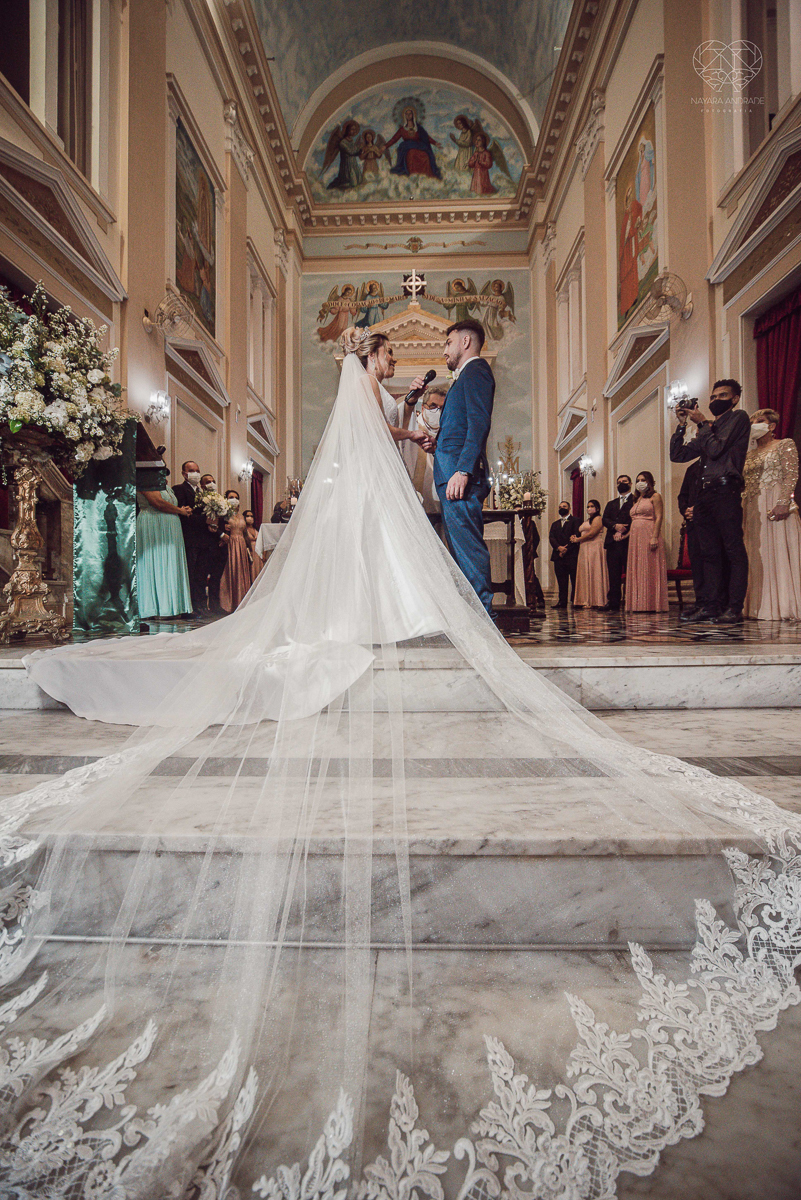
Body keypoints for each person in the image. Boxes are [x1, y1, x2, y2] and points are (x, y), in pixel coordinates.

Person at [16, 328, 799, 1200]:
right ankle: (413, 615)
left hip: (384, 475)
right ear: (372, 359)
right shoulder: (381, 388)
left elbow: (400, 431)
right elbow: (393, 431)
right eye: (385, 360)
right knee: (392, 550)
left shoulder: (406, 388)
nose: (391, 369)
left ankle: (393, 613)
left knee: (384, 550)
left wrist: (415, 431)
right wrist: (417, 430)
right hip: (380, 483)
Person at [412, 319, 494, 615]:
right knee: (459, 553)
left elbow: (479, 423)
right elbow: (462, 428)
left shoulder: (476, 371)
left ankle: (485, 622)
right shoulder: (463, 377)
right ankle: (473, 620)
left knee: (469, 552)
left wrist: (463, 470)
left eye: (448, 342)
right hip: (452, 474)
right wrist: (439, 445)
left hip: (461, 478)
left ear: (465, 342)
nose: (444, 349)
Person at [670, 378, 751, 623]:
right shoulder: (710, 427)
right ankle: (710, 605)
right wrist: (682, 426)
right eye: (713, 397)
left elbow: (716, 450)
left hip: (726, 491)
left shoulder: (738, 419)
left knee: (733, 550)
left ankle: (734, 607)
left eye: (722, 396)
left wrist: (703, 423)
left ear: (734, 399)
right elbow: (679, 454)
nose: (716, 400)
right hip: (705, 495)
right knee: (709, 553)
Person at [743, 408, 801, 621]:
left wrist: (783, 502)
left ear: (772, 426)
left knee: (775, 550)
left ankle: (782, 605)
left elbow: (791, 474)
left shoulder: (784, 444)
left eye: (759, 421)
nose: (754, 425)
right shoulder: (748, 454)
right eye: (752, 422)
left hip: (774, 501)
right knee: (755, 553)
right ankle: (757, 606)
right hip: (751, 505)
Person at [136, 466, 193, 621]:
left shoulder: (167, 487)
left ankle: (172, 606)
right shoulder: (146, 484)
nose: (163, 475)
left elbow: (169, 504)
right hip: (154, 524)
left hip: (170, 528)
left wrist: (181, 509)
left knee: (171, 564)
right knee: (156, 562)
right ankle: (154, 607)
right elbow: (157, 503)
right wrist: (180, 511)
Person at [399, 384, 446, 513]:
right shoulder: (412, 428)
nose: (437, 411)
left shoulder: (447, 432)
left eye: (442, 408)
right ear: (423, 408)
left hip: (440, 504)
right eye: (433, 406)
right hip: (413, 500)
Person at [625, 471, 668, 613]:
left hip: (649, 533)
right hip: (635, 538)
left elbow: (659, 516)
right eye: (638, 480)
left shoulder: (655, 496)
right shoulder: (636, 499)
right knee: (637, 566)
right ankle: (637, 603)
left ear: (650, 482)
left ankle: (650, 603)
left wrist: (654, 536)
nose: (640, 482)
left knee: (648, 566)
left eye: (643, 479)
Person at [174, 459, 209, 616]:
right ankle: (188, 607)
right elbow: (184, 514)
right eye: (192, 471)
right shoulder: (180, 489)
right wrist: (203, 519)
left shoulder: (203, 493)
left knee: (201, 574)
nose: (196, 473)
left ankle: (201, 604)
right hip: (190, 537)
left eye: (197, 470)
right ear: (184, 473)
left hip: (203, 539)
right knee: (190, 573)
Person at [601, 475, 634, 610]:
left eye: (624, 482)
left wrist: (623, 530)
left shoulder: (635, 500)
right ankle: (613, 601)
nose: (621, 484)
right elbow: (605, 519)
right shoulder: (611, 503)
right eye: (619, 482)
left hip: (628, 541)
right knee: (613, 574)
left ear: (630, 484)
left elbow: (635, 518)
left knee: (630, 571)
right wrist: (615, 526)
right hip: (612, 543)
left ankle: (631, 600)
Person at [219, 489, 253, 613]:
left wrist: (249, 549)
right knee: (230, 571)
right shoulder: (223, 514)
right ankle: (229, 603)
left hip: (242, 546)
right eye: (231, 497)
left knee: (241, 571)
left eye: (236, 497)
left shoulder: (241, 516)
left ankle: (241, 600)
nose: (234, 499)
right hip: (230, 544)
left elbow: (245, 534)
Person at [571, 498, 608, 608]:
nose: (589, 508)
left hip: (594, 547)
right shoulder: (587, 520)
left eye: (591, 506)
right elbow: (583, 532)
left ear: (597, 508)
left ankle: (596, 600)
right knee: (585, 572)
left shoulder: (598, 518)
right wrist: (575, 537)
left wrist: (578, 539)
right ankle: (585, 599)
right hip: (584, 547)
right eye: (588, 506)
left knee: (594, 570)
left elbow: (592, 533)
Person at [548, 499, 581, 608]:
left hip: (571, 555)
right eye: (560, 507)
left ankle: (575, 601)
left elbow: (576, 535)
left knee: (574, 579)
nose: (562, 508)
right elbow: (551, 537)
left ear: (569, 508)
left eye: (564, 507)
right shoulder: (555, 524)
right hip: (558, 556)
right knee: (561, 580)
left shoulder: (575, 521)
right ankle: (562, 601)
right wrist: (558, 548)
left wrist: (566, 549)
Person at [243, 509, 262, 581]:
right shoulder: (244, 530)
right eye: (247, 516)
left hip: (258, 553)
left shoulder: (256, 529)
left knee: (258, 570)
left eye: (251, 516)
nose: (250, 518)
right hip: (249, 551)